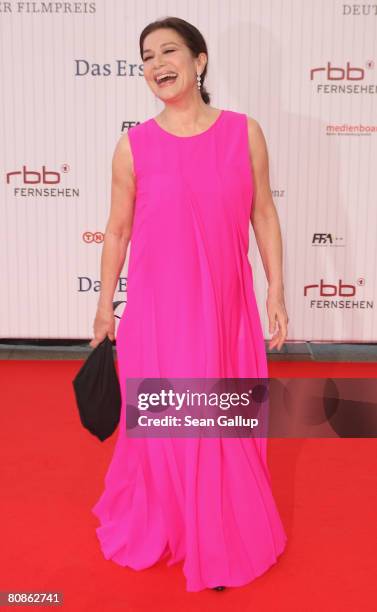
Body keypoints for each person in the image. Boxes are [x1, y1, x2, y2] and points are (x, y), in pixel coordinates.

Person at [90, 16, 289, 593]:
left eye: (169, 51)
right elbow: (117, 232)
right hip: (159, 315)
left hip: (226, 309)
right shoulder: (133, 147)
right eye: (146, 57)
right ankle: (178, 525)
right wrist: (106, 308)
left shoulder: (244, 132)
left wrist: (275, 288)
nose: (157, 65)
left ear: (199, 60)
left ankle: (219, 535)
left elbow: (265, 215)